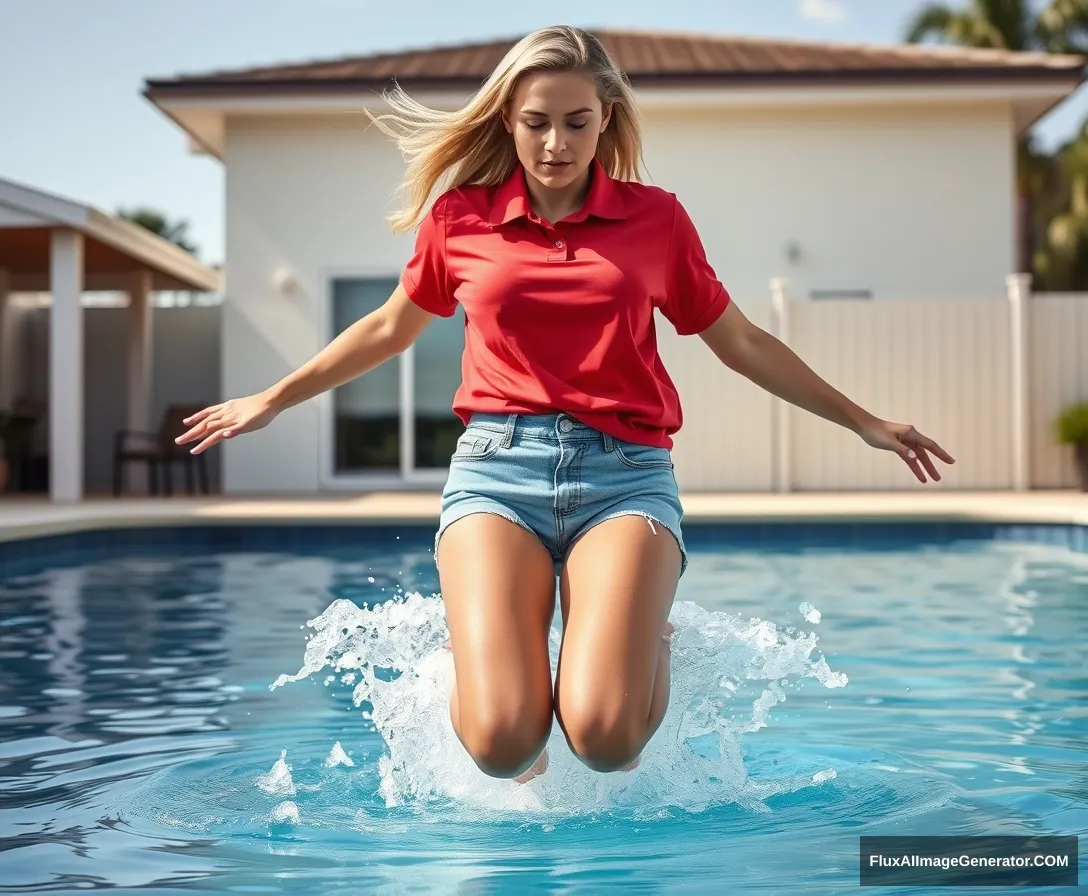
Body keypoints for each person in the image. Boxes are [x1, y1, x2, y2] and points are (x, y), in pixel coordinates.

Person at [175, 25, 954, 785]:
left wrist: (864, 421)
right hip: (494, 475)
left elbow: (741, 341)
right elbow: (387, 329)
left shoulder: (656, 220)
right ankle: (494, 666)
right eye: (536, 123)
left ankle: (647, 642)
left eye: (577, 122)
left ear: (605, 118)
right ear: (508, 122)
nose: (556, 143)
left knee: (608, 740)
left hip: (625, 480)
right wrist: (272, 400)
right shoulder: (462, 220)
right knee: (504, 746)